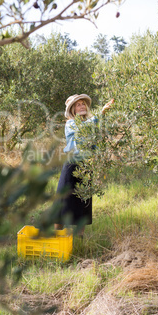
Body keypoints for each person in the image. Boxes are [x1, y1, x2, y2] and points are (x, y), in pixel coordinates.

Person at [54, 94, 114, 237]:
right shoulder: (71, 124)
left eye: (83, 104)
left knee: (83, 201)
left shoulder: (92, 122)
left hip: (87, 165)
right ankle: (56, 237)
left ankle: (80, 238)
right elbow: (82, 131)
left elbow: (99, 133)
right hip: (72, 165)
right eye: (77, 105)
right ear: (73, 110)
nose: (81, 106)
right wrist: (102, 113)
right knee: (62, 200)